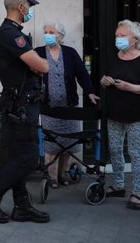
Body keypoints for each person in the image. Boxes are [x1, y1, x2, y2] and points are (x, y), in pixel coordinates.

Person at [0, 0, 50, 224]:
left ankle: (23, 206)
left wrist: (35, 63)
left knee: (17, 156)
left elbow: (34, 64)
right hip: (21, 106)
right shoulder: (9, 34)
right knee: (27, 158)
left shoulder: (13, 33)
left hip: (19, 104)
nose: (30, 10)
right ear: (21, 6)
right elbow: (42, 66)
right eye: (29, 5)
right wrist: (37, 63)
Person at [100, 20, 140, 210]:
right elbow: (104, 79)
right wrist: (104, 80)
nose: (118, 39)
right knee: (115, 151)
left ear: (135, 40)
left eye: (122, 36)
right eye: (116, 36)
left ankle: (137, 192)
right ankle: (119, 185)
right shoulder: (114, 57)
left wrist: (131, 87)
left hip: (135, 115)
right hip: (114, 113)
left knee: (135, 153)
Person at [35, 22, 99, 188]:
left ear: (60, 36)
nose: (47, 34)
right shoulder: (38, 52)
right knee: (51, 143)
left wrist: (90, 92)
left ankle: (62, 174)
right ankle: (52, 177)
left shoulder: (70, 53)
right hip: (49, 108)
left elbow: (82, 74)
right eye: (46, 31)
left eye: (51, 32)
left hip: (69, 108)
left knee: (67, 144)